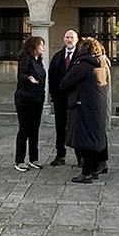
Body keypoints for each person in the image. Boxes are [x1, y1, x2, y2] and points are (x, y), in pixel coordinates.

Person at [61, 37, 110, 183]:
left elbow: (65, 83)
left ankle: (87, 173)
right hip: (97, 105)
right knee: (96, 136)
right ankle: (98, 165)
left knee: (85, 138)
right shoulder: (101, 63)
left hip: (83, 105)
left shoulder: (83, 64)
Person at [13, 35, 46, 171]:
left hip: (37, 98)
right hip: (25, 98)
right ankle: (19, 160)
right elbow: (21, 75)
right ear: (34, 46)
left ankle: (34, 158)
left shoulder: (39, 60)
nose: (43, 48)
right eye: (41, 45)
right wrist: (29, 78)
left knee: (34, 129)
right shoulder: (26, 58)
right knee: (25, 129)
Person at [48, 29, 79, 166]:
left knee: (77, 128)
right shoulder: (58, 56)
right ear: (63, 39)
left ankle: (80, 157)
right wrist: (54, 95)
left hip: (75, 99)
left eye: (72, 37)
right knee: (60, 128)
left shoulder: (80, 56)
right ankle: (60, 155)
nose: (69, 39)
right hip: (60, 100)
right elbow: (52, 77)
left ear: (77, 39)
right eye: (67, 37)